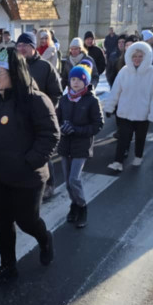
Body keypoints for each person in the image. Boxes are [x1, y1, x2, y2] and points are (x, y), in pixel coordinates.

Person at [0, 48, 59, 286]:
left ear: (15, 73)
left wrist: (28, 162)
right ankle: (8, 266)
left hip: (26, 177)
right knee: (2, 221)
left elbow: (50, 136)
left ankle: (45, 238)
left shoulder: (36, 100)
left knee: (27, 220)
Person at [56, 65, 104, 228]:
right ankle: (74, 205)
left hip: (81, 145)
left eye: (79, 80)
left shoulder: (92, 100)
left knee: (74, 179)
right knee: (68, 183)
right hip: (65, 145)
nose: (75, 83)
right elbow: (57, 119)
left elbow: (97, 125)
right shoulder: (64, 99)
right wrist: (62, 127)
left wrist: (76, 130)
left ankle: (82, 207)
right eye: (73, 79)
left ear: (86, 82)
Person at [17, 32, 61, 201]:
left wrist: (44, 110)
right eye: (19, 46)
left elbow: (56, 93)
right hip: (20, 118)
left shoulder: (45, 67)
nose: (21, 49)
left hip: (40, 118)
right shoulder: (15, 65)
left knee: (43, 153)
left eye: (25, 46)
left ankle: (49, 184)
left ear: (33, 47)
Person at [104, 41, 153, 172]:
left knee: (140, 137)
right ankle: (117, 162)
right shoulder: (124, 71)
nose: (137, 59)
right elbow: (116, 90)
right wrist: (110, 107)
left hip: (143, 113)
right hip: (125, 111)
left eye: (140, 56)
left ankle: (138, 156)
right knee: (123, 138)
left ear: (146, 57)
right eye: (134, 56)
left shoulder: (152, 72)